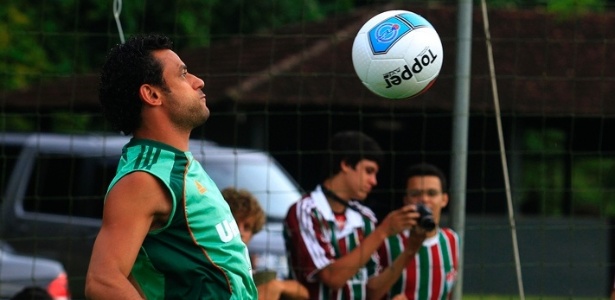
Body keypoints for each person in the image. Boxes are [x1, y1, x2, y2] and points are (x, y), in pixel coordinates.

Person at [85, 33, 257, 299]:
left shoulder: (176, 162)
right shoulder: (144, 177)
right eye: (183, 74)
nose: (198, 81)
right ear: (152, 94)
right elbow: (102, 281)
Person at [283, 130, 423, 300]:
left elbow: (372, 291)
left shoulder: (366, 218)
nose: (374, 181)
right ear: (346, 165)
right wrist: (383, 231)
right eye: (369, 171)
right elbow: (332, 278)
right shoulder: (305, 211)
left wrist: (410, 250)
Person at [378, 163, 460, 299]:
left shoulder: (451, 239)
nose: (424, 200)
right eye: (416, 194)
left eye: (432, 193)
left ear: (444, 200)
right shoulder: (387, 242)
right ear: (406, 200)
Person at [221, 187, 309, 300]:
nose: (240, 231)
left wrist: (276, 286)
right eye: (234, 223)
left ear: (253, 232)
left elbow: (304, 292)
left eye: (247, 227)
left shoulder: (256, 266)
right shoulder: (208, 260)